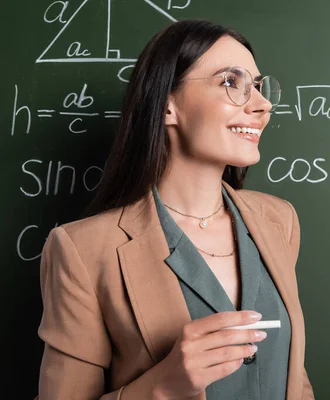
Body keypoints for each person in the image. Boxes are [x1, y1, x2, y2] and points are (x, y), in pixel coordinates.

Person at [36, 19, 314, 400]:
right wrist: (162, 385)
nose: (263, 105)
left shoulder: (280, 221)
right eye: (231, 82)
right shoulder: (81, 250)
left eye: (259, 87)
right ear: (168, 105)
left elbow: (294, 378)